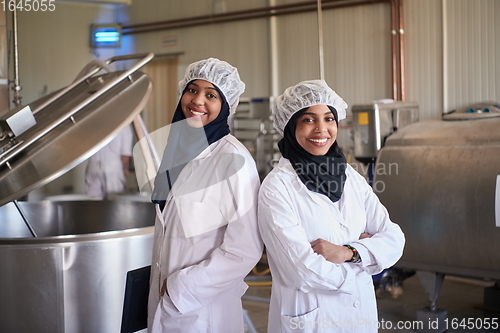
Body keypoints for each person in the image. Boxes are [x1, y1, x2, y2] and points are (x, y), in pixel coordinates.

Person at [258, 80, 405, 333]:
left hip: (360, 319)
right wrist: (365, 264)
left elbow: (394, 239)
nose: (321, 129)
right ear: (291, 126)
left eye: (329, 118)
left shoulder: (351, 177)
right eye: (308, 119)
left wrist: (349, 252)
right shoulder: (276, 187)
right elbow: (302, 270)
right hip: (311, 320)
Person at [147, 58, 263, 333]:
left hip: (202, 308)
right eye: (192, 90)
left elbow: (245, 248)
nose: (197, 100)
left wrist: (182, 286)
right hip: (167, 303)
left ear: (225, 106)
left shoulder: (233, 159)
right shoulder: (177, 149)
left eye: (211, 95)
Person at [85, 125, 133, 199]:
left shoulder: (97, 122)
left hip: (93, 163)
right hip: (112, 165)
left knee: (93, 201)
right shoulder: (124, 125)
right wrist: (125, 169)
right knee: (114, 200)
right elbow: (125, 154)